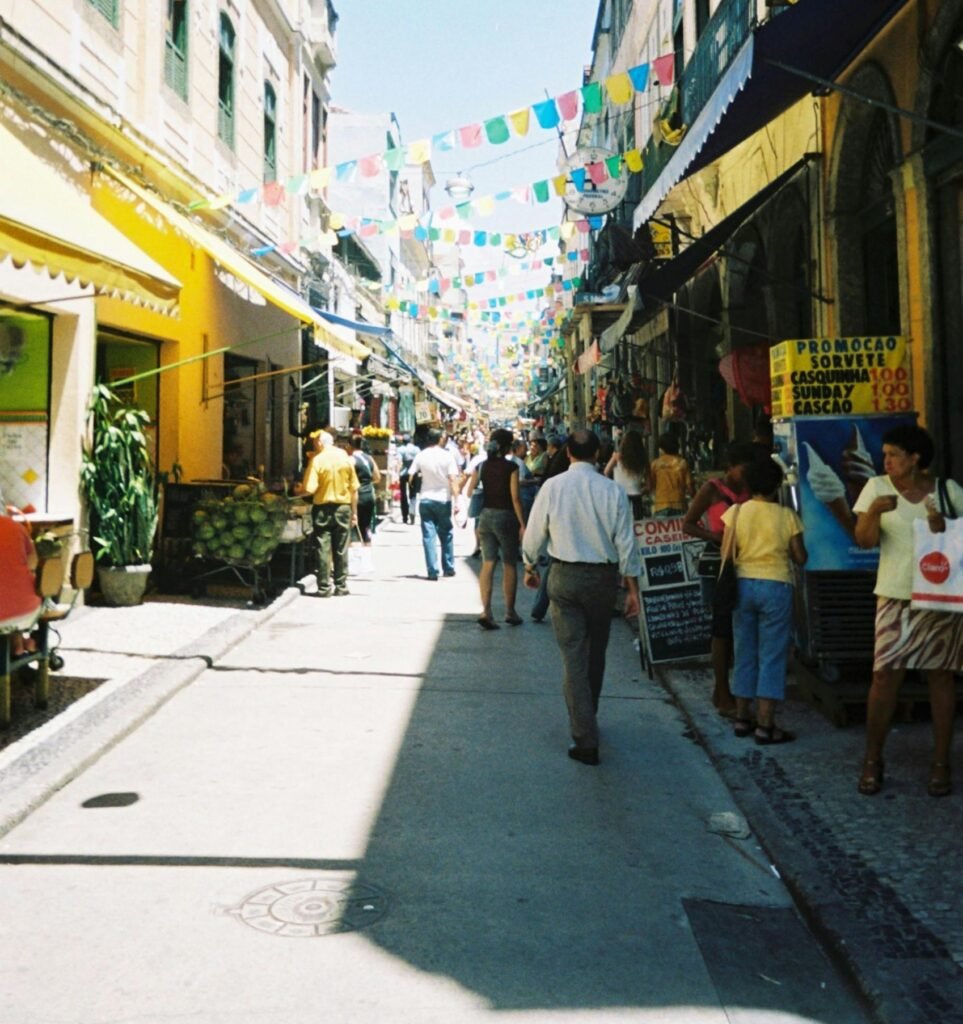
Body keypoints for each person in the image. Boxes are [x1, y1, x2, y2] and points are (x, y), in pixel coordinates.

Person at [852, 424, 963, 797]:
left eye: (893, 455)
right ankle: (871, 758)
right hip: (895, 595)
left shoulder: (947, 492)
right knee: (884, 678)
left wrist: (941, 527)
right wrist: (872, 513)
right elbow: (864, 541)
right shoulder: (877, 489)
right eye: (885, 455)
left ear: (915, 458)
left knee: (941, 677)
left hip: (939, 598)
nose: (886, 462)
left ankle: (941, 762)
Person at [522, 429, 642, 765]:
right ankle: (590, 717)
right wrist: (633, 590)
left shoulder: (553, 486)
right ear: (596, 454)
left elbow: (534, 534)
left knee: (573, 656)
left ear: (569, 454)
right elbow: (626, 544)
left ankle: (584, 734)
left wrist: (529, 566)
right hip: (602, 580)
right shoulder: (612, 490)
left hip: (565, 576)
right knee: (596, 652)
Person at [721, 457, 806, 744]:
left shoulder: (736, 512)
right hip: (776, 586)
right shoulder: (787, 517)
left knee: (744, 650)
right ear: (776, 485)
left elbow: (726, 553)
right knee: (772, 655)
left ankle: (742, 717)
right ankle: (766, 724)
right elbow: (799, 557)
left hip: (743, 585)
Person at [683, 442, 759, 718]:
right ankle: (722, 688)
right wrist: (714, 536)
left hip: (747, 559)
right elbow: (688, 523)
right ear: (730, 467)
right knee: (721, 627)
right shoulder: (712, 490)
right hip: (718, 562)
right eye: (742, 469)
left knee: (740, 625)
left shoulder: (753, 490)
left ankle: (728, 690)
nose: (746, 475)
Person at [464, 429, 526, 629]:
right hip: (506, 516)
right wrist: (523, 524)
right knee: (509, 563)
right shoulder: (511, 467)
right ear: (508, 447)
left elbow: (469, 490)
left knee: (488, 563)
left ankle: (486, 611)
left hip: (485, 517)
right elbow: (515, 498)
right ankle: (510, 611)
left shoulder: (481, 466)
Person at [299, 430, 359, 597]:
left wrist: (295, 492)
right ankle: (341, 586)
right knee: (341, 547)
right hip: (343, 508)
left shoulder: (317, 460)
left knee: (323, 547)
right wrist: (354, 513)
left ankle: (324, 587)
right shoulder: (345, 459)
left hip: (323, 509)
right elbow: (354, 489)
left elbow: (309, 489)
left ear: (320, 443)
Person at [408, 427, 461, 581]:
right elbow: (453, 479)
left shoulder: (421, 455)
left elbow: (410, 476)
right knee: (446, 534)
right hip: (443, 499)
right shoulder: (447, 456)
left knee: (428, 536)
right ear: (440, 439)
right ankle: (448, 567)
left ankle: (432, 570)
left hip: (425, 498)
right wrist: (457, 499)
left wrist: (417, 483)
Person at [0, 497, 40, 656]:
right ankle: (18, 644)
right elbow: (33, 563)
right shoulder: (15, 526)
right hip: (27, 611)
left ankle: (16, 646)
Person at [604, 429, 649, 520]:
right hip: (637, 499)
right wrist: (639, 490)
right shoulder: (644, 461)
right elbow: (649, 487)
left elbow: (606, 471)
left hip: (620, 497)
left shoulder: (617, 457)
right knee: (638, 527)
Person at [648, 433, 693, 516]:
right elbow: (690, 487)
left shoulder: (655, 464)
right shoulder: (682, 463)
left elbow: (651, 486)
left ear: (661, 448)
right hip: (679, 504)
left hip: (660, 504)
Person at [349, 436, 381, 545]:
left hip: (357, 496)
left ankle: (355, 551)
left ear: (349, 446)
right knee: (366, 525)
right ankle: (367, 546)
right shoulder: (369, 458)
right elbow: (377, 477)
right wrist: (368, 483)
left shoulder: (351, 460)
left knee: (354, 525)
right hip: (369, 495)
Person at [511, 438, 538, 520]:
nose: (527, 450)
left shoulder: (515, 461)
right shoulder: (518, 463)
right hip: (524, 499)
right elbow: (520, 481)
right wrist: (535, 481)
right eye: (524, 448)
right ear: (518, 449)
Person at [396, 434, 421, 525]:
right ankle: (412, 511)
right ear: (410, 440)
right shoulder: (416, 449)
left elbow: (399, 462)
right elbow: (419, 461)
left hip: (403, 474)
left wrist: (397, 473)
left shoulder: (399, 449)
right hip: (413, 473)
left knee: (403, 495)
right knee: (413, 494)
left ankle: (405, 516)